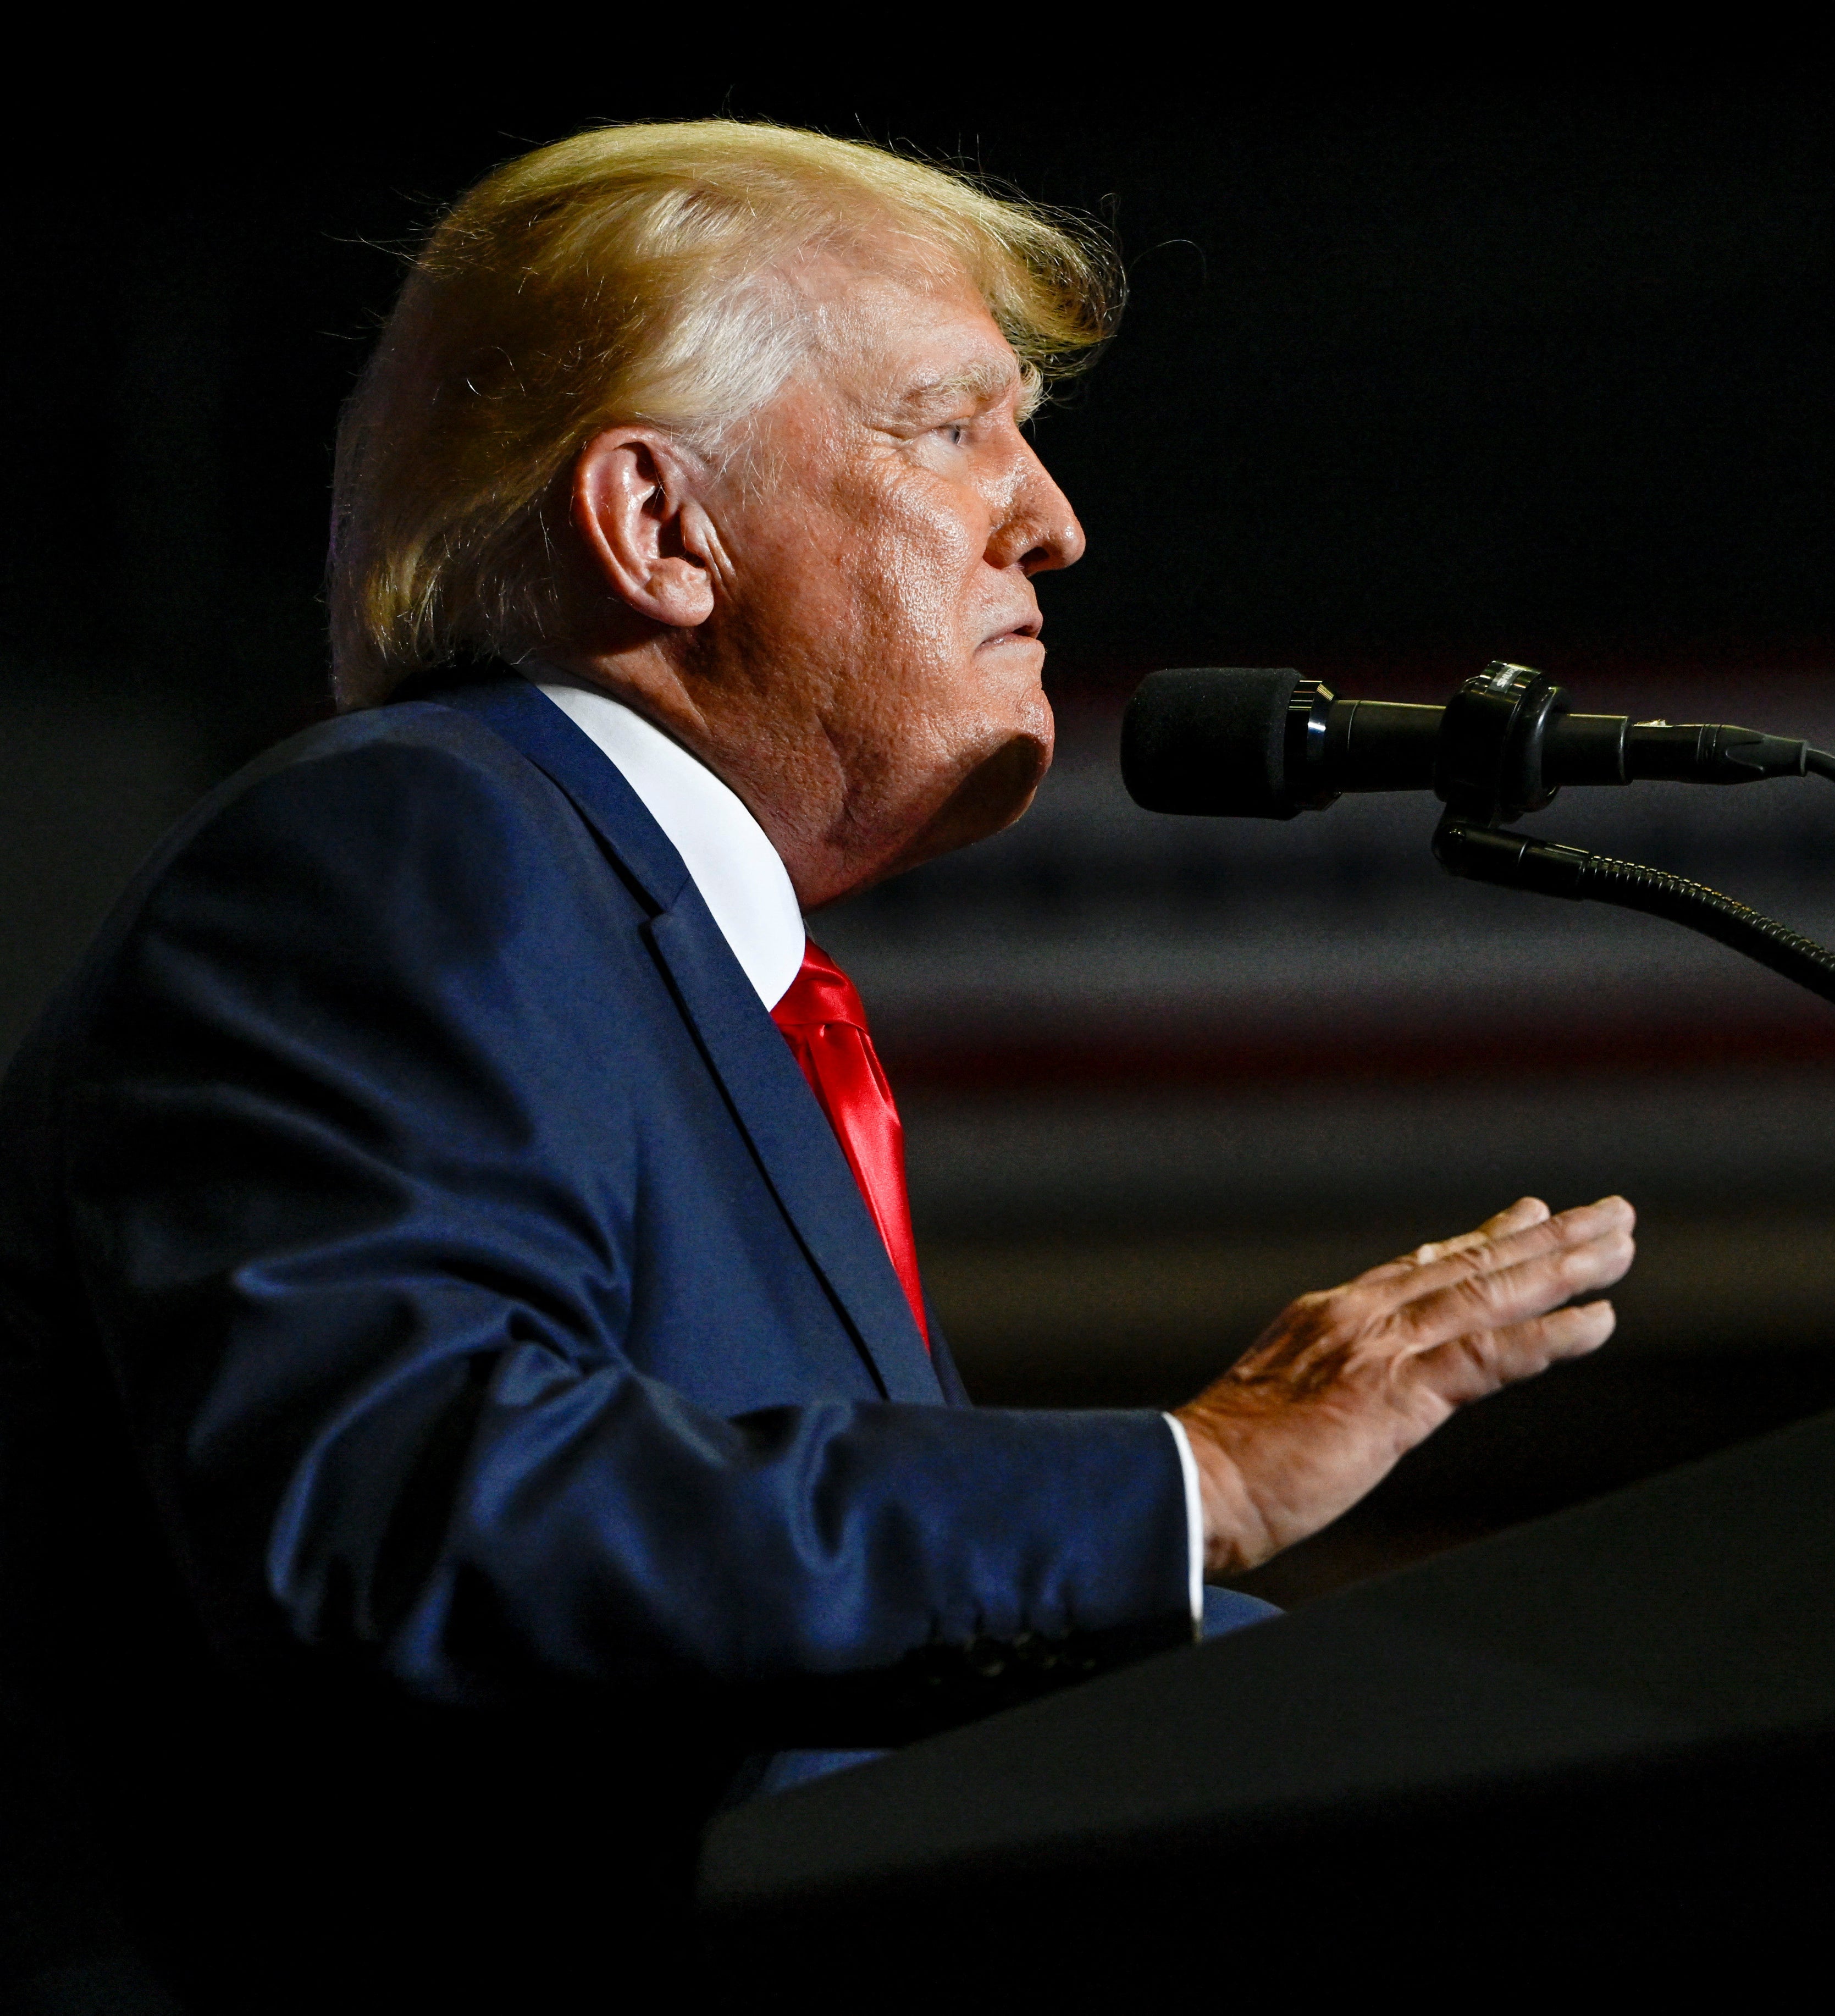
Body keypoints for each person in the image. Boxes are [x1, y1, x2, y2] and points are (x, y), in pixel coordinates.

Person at [0, 121, 1634, 2008]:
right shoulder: (412, 842)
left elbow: (853, 1674)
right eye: (953, 428)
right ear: (660, 529)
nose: (1051, 519)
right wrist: (1181, 1482)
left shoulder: (708, 995)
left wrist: (1563, 1702)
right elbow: (407, 1516)